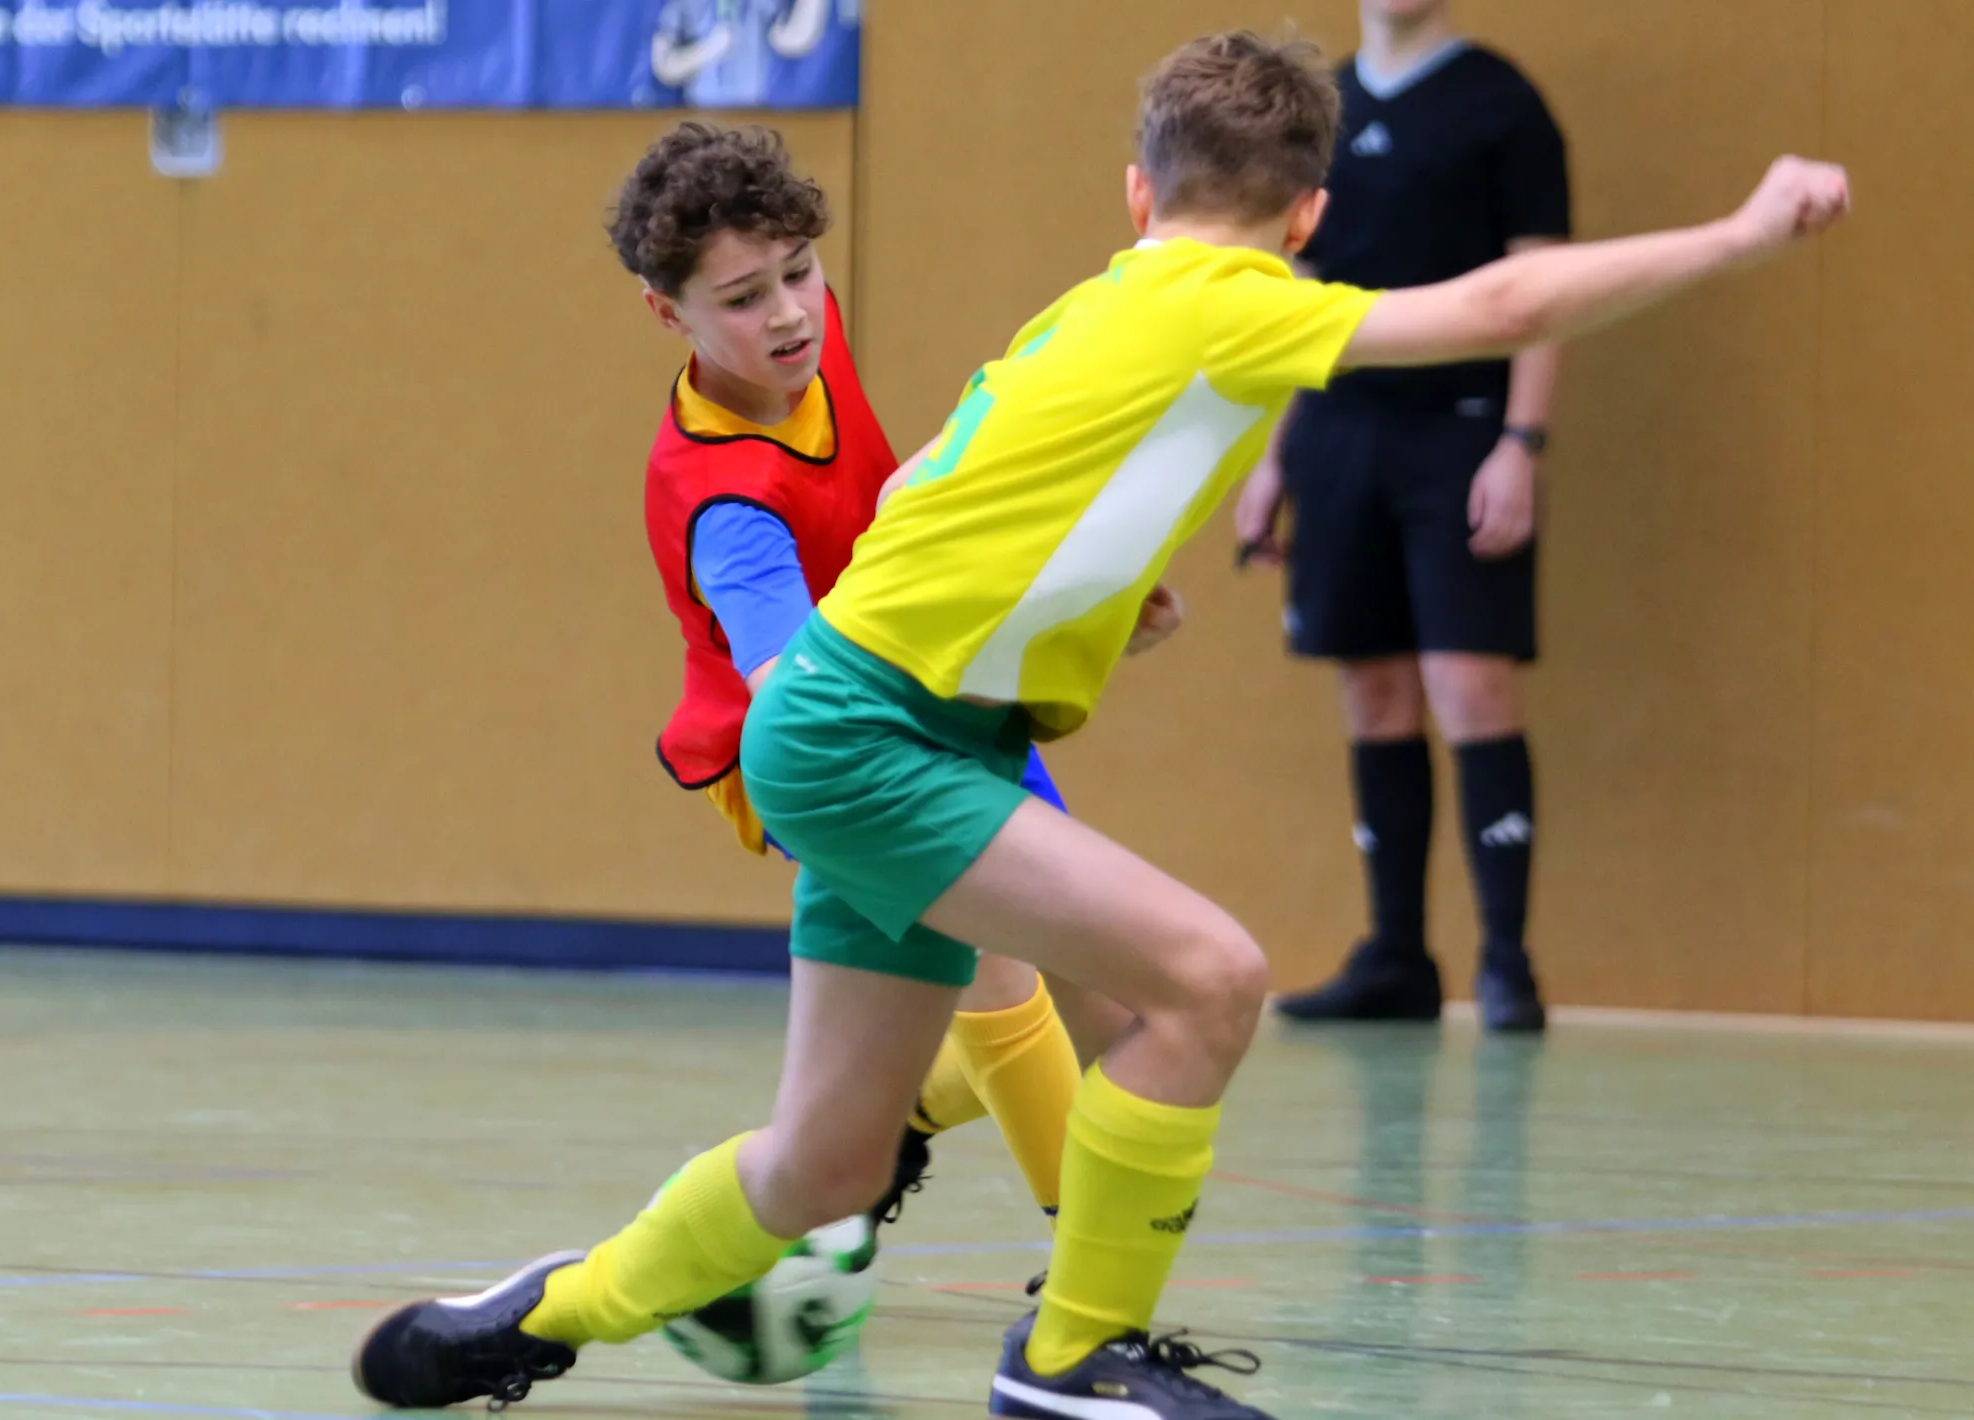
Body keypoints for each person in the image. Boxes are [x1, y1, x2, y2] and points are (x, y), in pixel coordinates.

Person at [348, 27, 1847, 1420]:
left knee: (825, 1165)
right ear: (1310, 217)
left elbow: (939, 472)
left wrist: (1090, 591)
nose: (789, 311)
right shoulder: (1241, 301)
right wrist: (1740, 233)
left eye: (796, 279)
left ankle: (537, 1314)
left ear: (1138, 191)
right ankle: (1073, 1358)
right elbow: (1499, 308)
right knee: (1208, 980)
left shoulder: (1099, 303)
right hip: (869, 737)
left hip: (876, 731)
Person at [627, 120, 1117, 1229]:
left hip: (929, 694)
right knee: (999, 974)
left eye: (800, 272)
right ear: (667, 313)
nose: (788, 313)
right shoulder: (727, 505)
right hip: (816, 746)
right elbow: (796, 695)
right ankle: (1087, 1274)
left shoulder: (801, 335)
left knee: (1091, 972)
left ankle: (887, 1126)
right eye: (743, 298)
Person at [1235, 0, 1571, 1033]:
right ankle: (1396, 956)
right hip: (1341, 433)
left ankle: (1505, 961)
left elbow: (1543, 289)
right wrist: (1274, 456)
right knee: (1372, 685)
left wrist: (1520, 442)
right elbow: (1299, 302)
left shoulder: (1501, 103)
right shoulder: (1319, 109)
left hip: (1460, 430)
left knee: (1467, 681)